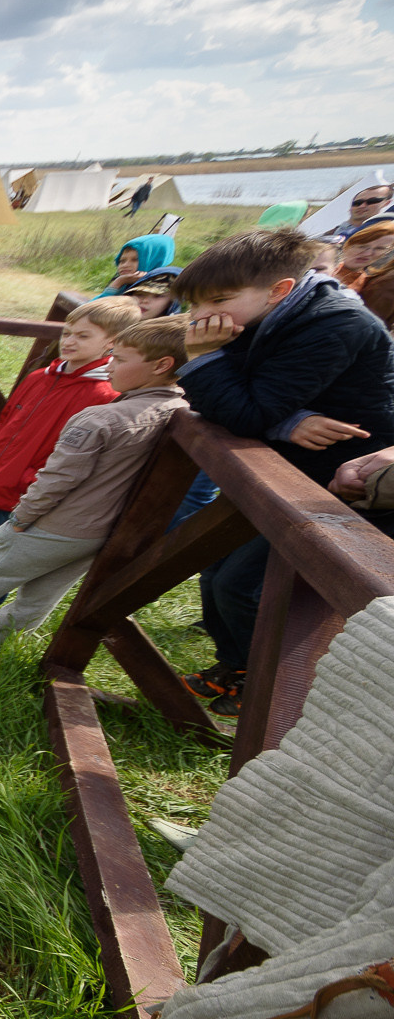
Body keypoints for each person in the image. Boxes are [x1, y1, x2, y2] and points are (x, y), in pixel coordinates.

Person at [173, 227, 394, 717]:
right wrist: (286, 421)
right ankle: (237, 666)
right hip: (282, 468)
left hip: (334, 485)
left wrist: (206, 359)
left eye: (219, 300)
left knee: (244, 585)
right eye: (196, 303)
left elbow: (244, 410)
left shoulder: (336, 325)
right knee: (215, 568)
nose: (202, 315)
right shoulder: (264, 317)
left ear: (279, 290)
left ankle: (272, 692)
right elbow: (234, 401)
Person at [0, 319, 187, 649]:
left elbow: (58, 478)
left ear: (161, 365)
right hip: (100, 531)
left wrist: (22, 517)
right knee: (41, 595)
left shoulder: (100, 418)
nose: (110, 365)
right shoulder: (179, 411)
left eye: (120, 359)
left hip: (55, 523)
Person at [0, 297, 134, 596]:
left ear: (111, 342)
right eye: (67, 333)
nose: (69, 341)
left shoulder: (105, 396)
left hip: (29, 493)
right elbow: (5, 423)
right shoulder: (38, 378)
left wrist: (33, 480)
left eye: (83, 336)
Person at [93, 233, 175, 297]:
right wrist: (119, 282)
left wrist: (118, 282)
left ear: (153, 260)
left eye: (135, 260)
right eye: (122, 261)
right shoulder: (125, 284)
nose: (125, 265)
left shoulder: (156, 291)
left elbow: (96, 311)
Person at [336, 220, 394, 291]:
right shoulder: (325, 270)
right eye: (362, 246)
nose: (368, 253)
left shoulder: (369, 286)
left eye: (379, 248)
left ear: (387, 252)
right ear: (347, 245)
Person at [324, 182, 391, 244]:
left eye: (372, 201)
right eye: (357, 203)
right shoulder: (328, 235)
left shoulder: (387, 233)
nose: (362, 206)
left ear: (386, 203)